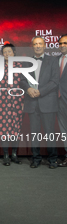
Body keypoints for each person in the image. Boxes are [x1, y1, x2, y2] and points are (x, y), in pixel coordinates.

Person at [20, 36, 59, 169]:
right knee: (34, 132)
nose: (37, 46)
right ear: (32, 46)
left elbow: (54, 81)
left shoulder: (53, 61)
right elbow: (22, 80)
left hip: (47, 102)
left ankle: (53, 159)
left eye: (40, 44)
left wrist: (40, 91)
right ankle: (35, 158)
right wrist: (28, 89)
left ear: (45, 45)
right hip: (32, 103)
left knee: (49, 132)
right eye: (35, 44)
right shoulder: (27, 62)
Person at [0, 43, 24, 166]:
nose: (7, 54)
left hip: (17, 102)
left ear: (14, 53)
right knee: (4, 129)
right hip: (2, 102)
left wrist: (23, 101)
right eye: (5, 52)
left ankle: (14, 154)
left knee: (15, 128)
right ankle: (6, 155)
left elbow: (23, 85)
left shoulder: (20, 66)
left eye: (9, 52)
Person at [57, 34, 67, 167]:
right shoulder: (56, 60)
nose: (63, 45)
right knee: (64, 130)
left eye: (65, 43)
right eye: (61, 43)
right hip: (59, 101)